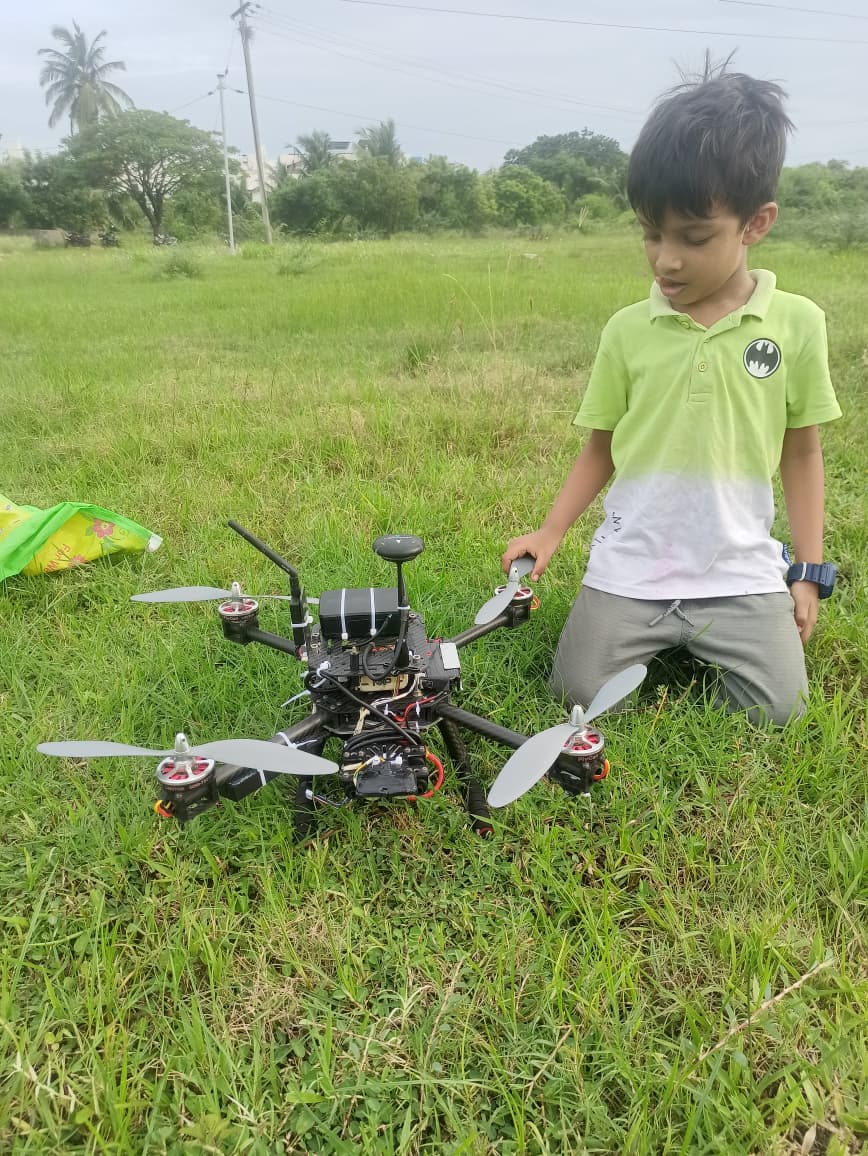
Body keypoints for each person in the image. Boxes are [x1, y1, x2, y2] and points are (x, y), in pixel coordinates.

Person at [502, 70, 841, 726]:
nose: (666, 260)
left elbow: (802, 454)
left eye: (693, 237)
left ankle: (713, 640)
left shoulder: (798, 324)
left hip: (738, 569)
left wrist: (808, 569)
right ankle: (646, 638)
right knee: (576, 693)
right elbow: (601, 446)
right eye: (650, 234)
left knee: (782, 710)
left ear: (756, 224)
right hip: (634, 565)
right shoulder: (628, 331)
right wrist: (551, 531)